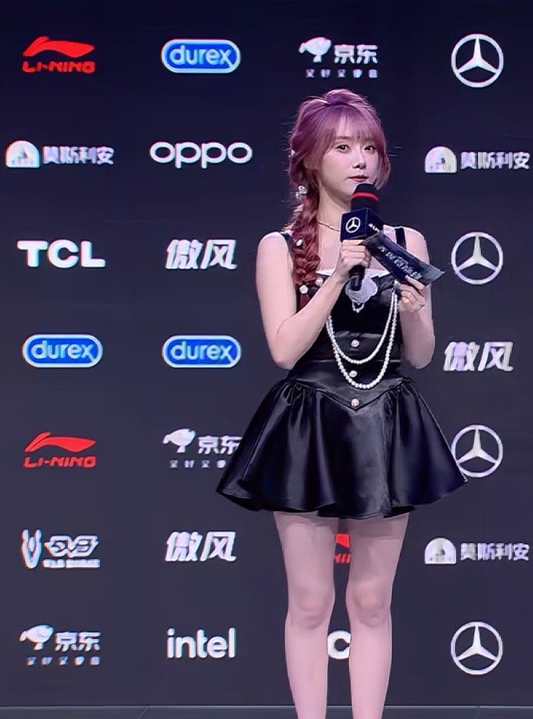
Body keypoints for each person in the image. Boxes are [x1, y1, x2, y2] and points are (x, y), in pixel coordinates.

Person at [217, 88, 468, 719]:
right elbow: (284, 349)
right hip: (309, 425)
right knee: (309, 602)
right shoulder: (279, 246)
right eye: (343, 147)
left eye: (369, 148)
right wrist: (335, 277)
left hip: (386, 420)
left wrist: (415, 309)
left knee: (372, 601)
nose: (360, 160)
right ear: (309, 159)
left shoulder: (405, 240)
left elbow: (421, 354)